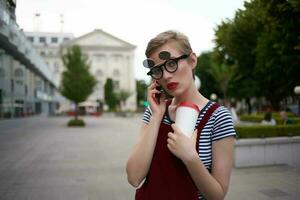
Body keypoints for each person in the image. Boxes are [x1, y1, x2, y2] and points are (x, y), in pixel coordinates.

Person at [126, 30, 236, 200]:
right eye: (158, 70)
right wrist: (156, 117)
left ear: (192, 60)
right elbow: (134, 177)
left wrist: (190, 157)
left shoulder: (218, 117)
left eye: (171, 64)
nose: (167, 76)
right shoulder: (154, 111)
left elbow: (217, 195)